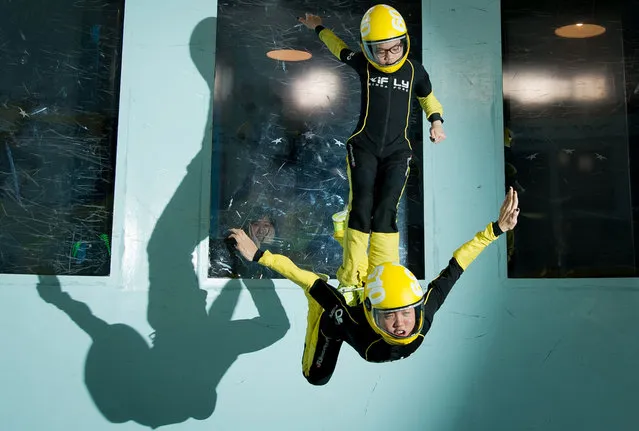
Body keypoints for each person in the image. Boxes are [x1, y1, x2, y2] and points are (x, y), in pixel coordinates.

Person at [227, 188, 519, 385]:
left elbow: (309, 280)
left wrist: (259, 255)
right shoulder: (421, 316)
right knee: (359, 276)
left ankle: (343, 239)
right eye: (392, 315)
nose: (401, 324)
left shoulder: (361, 331)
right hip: (358, 307)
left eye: (403, 314)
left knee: (316, 376)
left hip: (341, 323)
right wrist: (496, 229)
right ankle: (345, 232)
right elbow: (456, 266)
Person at [298, 5, 447, 295]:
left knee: (386, 211)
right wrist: (317, 27)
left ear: (404, 42)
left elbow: (430, 100)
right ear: (368, 49)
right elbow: (338, 48)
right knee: (362, 206)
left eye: (394, 49)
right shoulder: (363, 64)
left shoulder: (415, 70)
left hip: (397, 152)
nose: (388, 56)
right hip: (363, 146)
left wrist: (436, 122)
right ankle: (352, 278)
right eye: (380, 51)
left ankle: (383, 275)